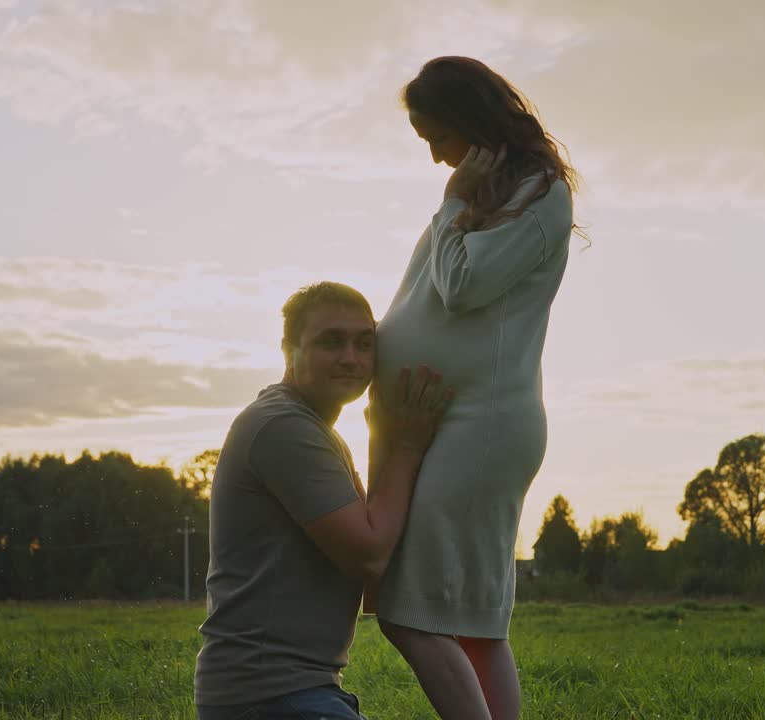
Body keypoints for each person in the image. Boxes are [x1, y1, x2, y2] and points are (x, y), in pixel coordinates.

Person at [369, 56, 581, 720]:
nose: (437, 159)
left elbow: (460, 288)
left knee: (412, 611)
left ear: (470, 121)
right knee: (470, 621)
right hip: (447, 418)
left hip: (483, 421)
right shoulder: (485, 192)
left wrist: (454, 202)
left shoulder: (539, 192)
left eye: (438, 138)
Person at [194, 281, 453, 720]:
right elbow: (369, 557)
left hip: (294, 691)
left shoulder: (315, 431)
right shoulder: (282, 427)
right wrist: (406, 447)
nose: (351, 358)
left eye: (364, 343)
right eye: (331, 342)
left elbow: (377, 565)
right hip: (267, 696)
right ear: (288, 349)